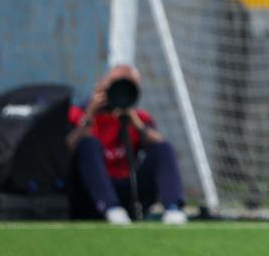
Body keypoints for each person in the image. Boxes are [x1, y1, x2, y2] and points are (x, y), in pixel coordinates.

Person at [67, 65, 188, 225]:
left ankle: (173, 209)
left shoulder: (139, 118)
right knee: (89, 144)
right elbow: (67, 149)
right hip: (91, 193)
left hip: (130, 190)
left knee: (163, 148)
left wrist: (137, 125)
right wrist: (90, 113)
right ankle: (111, 209)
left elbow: (162, 147)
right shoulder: (79, 113)